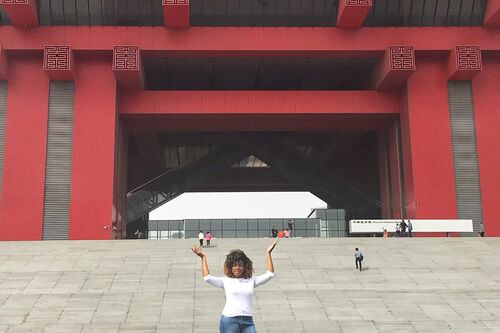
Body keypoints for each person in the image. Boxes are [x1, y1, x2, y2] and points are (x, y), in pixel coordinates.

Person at [192, 239, 278, 333]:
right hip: (229, 320)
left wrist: (268, 253)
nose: (237, 268)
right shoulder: (225, 281)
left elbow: (270, 274)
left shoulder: (251, 280)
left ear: (245, 266)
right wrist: (203, 257)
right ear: (230, 267)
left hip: (248, 321)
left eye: (240, 265)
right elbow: (207, 278)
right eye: (234, 265)